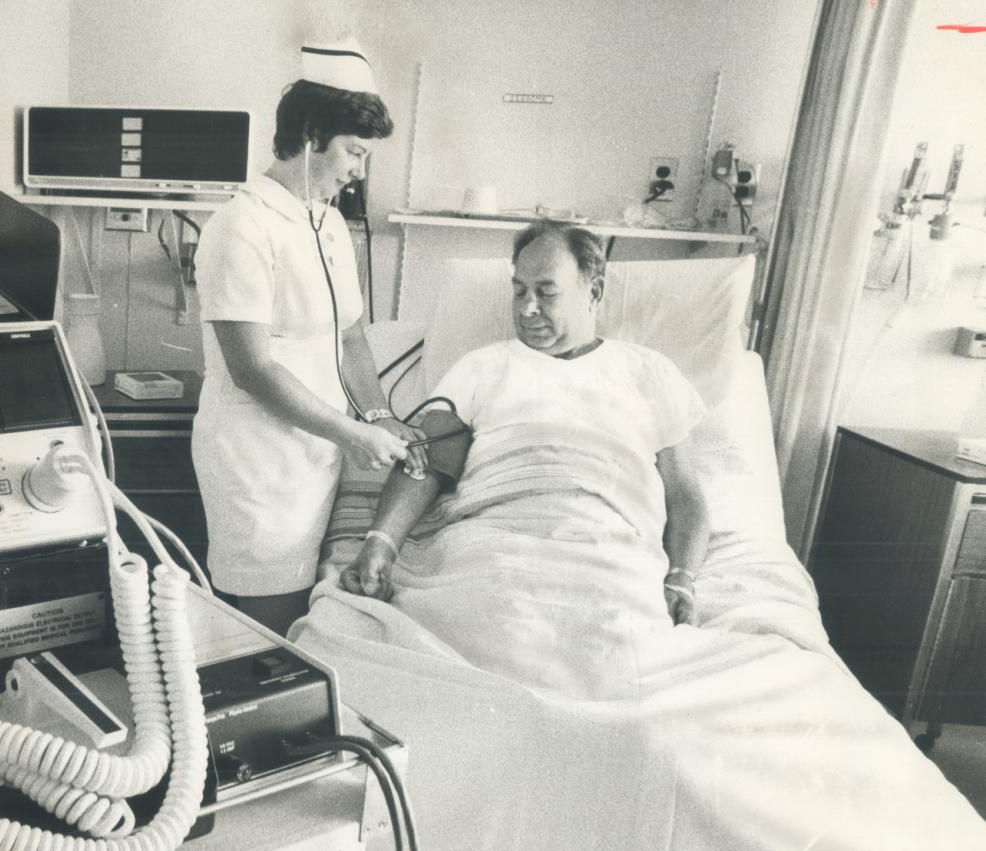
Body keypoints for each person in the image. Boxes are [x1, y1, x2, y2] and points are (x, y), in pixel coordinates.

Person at [340, 220, 712, 628]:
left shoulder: (649, 371)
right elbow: (426, 465)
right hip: (494, 541)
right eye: (519, 291)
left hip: (606, 544)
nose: (527, 308)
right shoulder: (482, 367)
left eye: (546, 292)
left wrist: (681, 580)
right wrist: (381, 543)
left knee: (610, 630)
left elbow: (685, 494)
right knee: (486, 618)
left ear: (595, 292)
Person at [192, 40, 427, 637]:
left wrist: (377, 413)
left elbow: (349, 336)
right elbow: (252, 368)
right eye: (353, 151)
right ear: (309, 135)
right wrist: (353, 434)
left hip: (317, 448)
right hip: (259, 462)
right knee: (270, 629)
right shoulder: (241, 228)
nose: (358, 170)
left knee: (305, 616)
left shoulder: (325, 222)